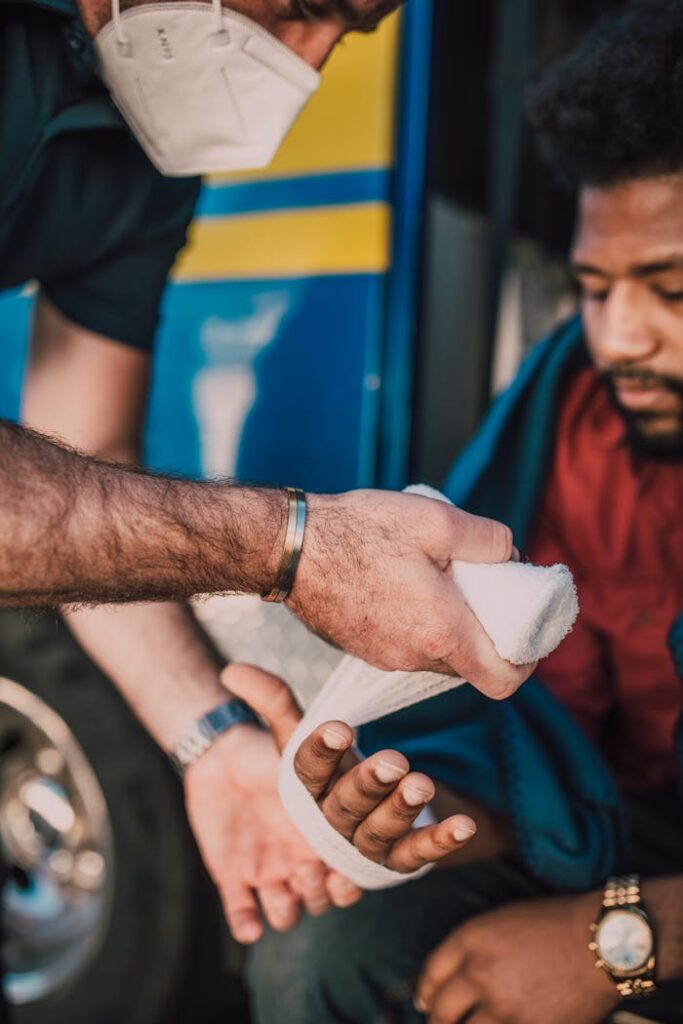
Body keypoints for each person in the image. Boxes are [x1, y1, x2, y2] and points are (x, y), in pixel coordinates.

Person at [0, 0, 537, 979]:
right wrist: (291, 546)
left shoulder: (142, 147)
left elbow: (89, 462)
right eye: (300, 10)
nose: (310, 65)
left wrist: (206, 737)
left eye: (352, 34)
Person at [246, 3, 683, 1021]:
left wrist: (615, 940)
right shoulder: (568, 410)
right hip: (620, 815)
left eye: (668, 287)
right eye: (593, 287)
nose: (619, 337)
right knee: (321, 951)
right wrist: (445, 809)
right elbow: (542, 718)